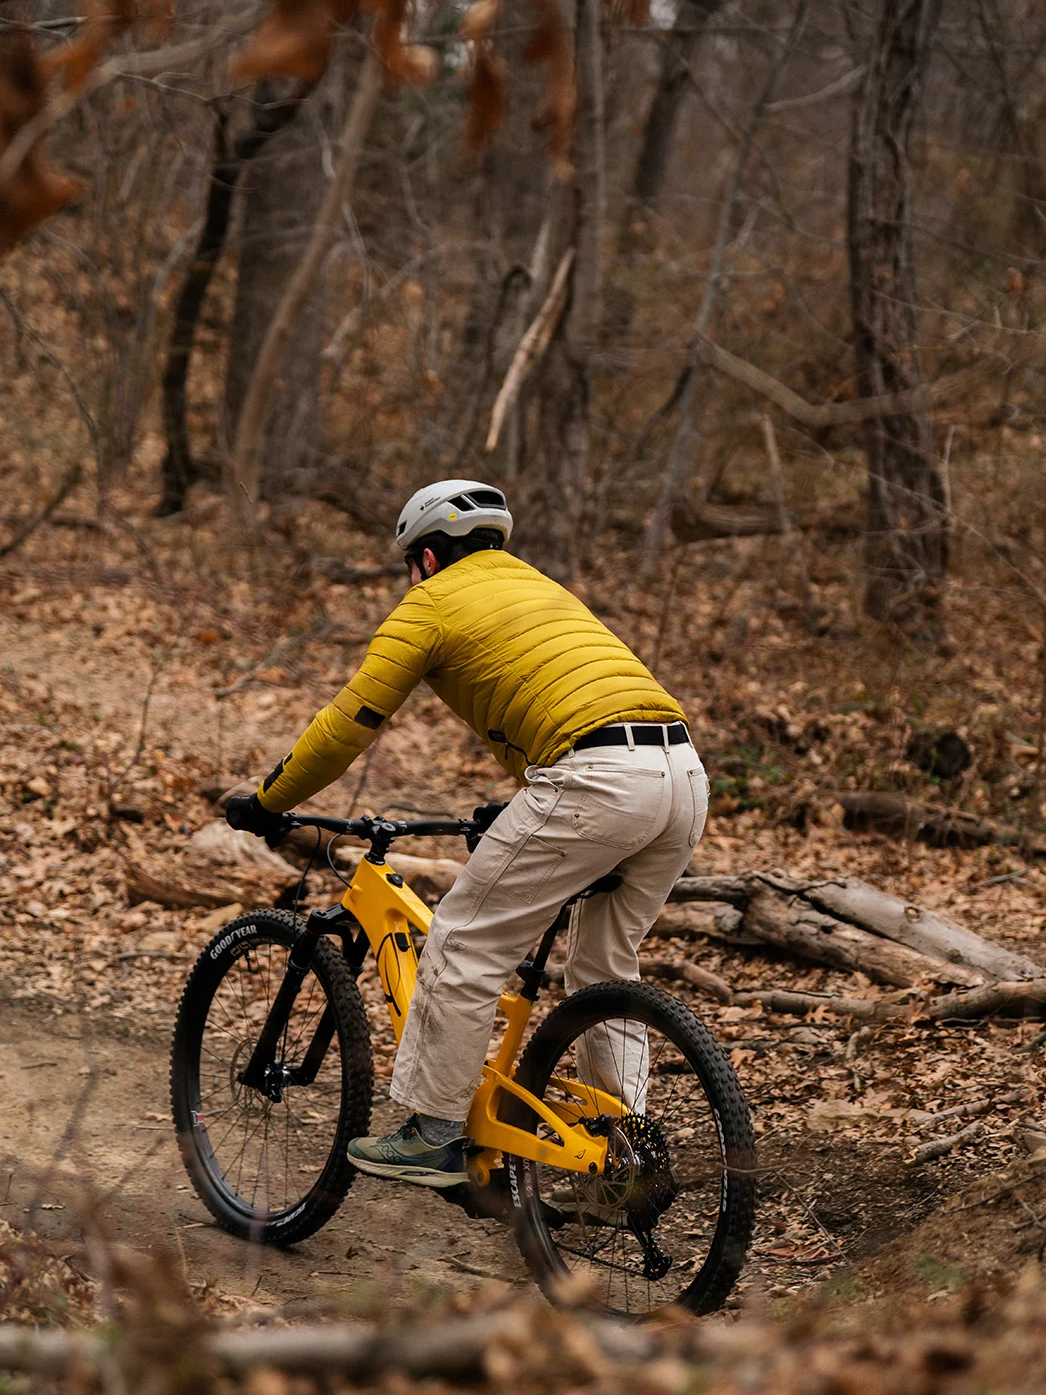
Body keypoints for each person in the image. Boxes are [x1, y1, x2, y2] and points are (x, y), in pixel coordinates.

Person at [225, 480, 708, 1190]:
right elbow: (566, 697)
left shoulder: (429, 604)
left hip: (598, 781)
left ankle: (434, 1135)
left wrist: (271, 801)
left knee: (462, 942)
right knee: (605, 966)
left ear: (425, 557)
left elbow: (347, 725)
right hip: (681, 774)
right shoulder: (540, 589)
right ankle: (623, 1158)